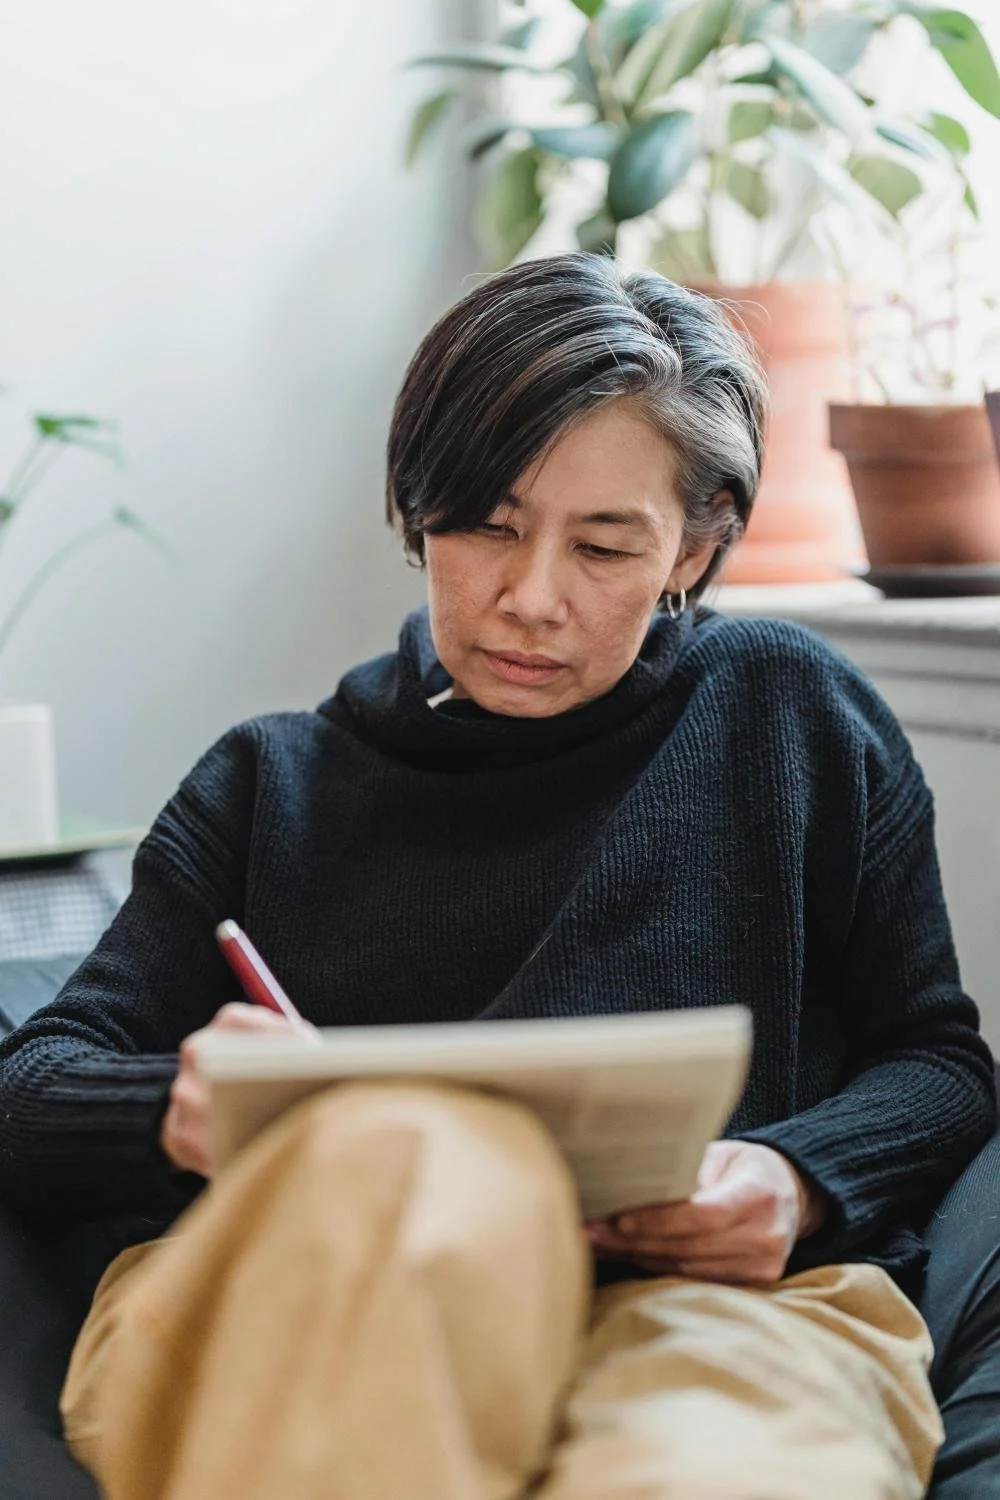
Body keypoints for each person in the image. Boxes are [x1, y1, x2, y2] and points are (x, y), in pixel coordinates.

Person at [0, 253, 994, 1500]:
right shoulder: (271, 783)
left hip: (715, 1307)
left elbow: (938, 1060)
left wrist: (793, 1181)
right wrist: (177, 1108)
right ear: (419, 511)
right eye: (487, 527)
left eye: (604, 546)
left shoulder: (791, 719)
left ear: (697, 545)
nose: (532, 600)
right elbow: (29, 1088)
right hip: (325, 1280)